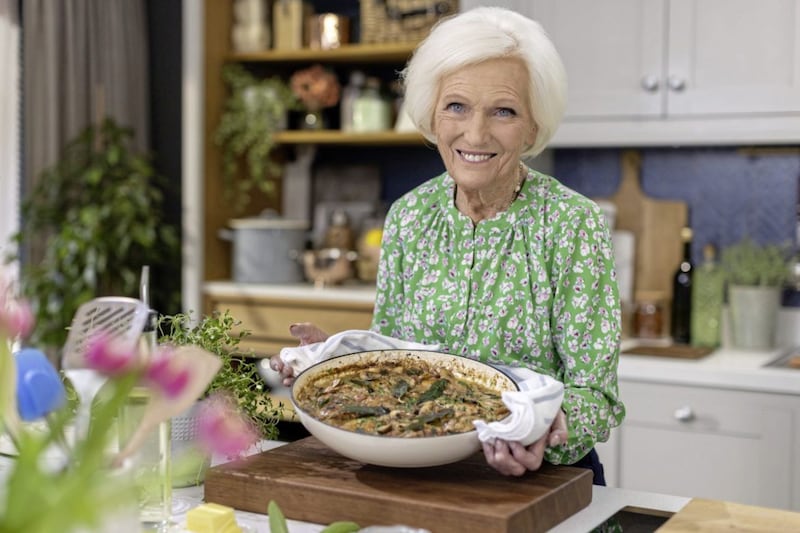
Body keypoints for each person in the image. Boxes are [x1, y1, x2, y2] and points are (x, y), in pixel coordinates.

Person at [271, 6, 625, 482]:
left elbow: (596, 397)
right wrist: (335, 359)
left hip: (540, 479)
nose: (475, 134)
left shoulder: (572, 225)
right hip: (420, 474)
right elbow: (393, 360)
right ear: (431, 114)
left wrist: (547, 428)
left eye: (504, 111)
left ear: (533, 126)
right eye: (456, 106)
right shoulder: (409, 217)